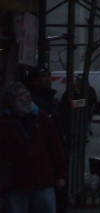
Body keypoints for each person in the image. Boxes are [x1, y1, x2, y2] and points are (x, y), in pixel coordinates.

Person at [0, 82, 67, 213]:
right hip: (16, 183)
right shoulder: (4, 123)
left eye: (26, 93)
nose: (26, 97)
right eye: (21, 95)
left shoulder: (42, 119)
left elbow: (55, 147)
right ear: (12, 101)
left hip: (42, 179)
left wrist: (61, 174)